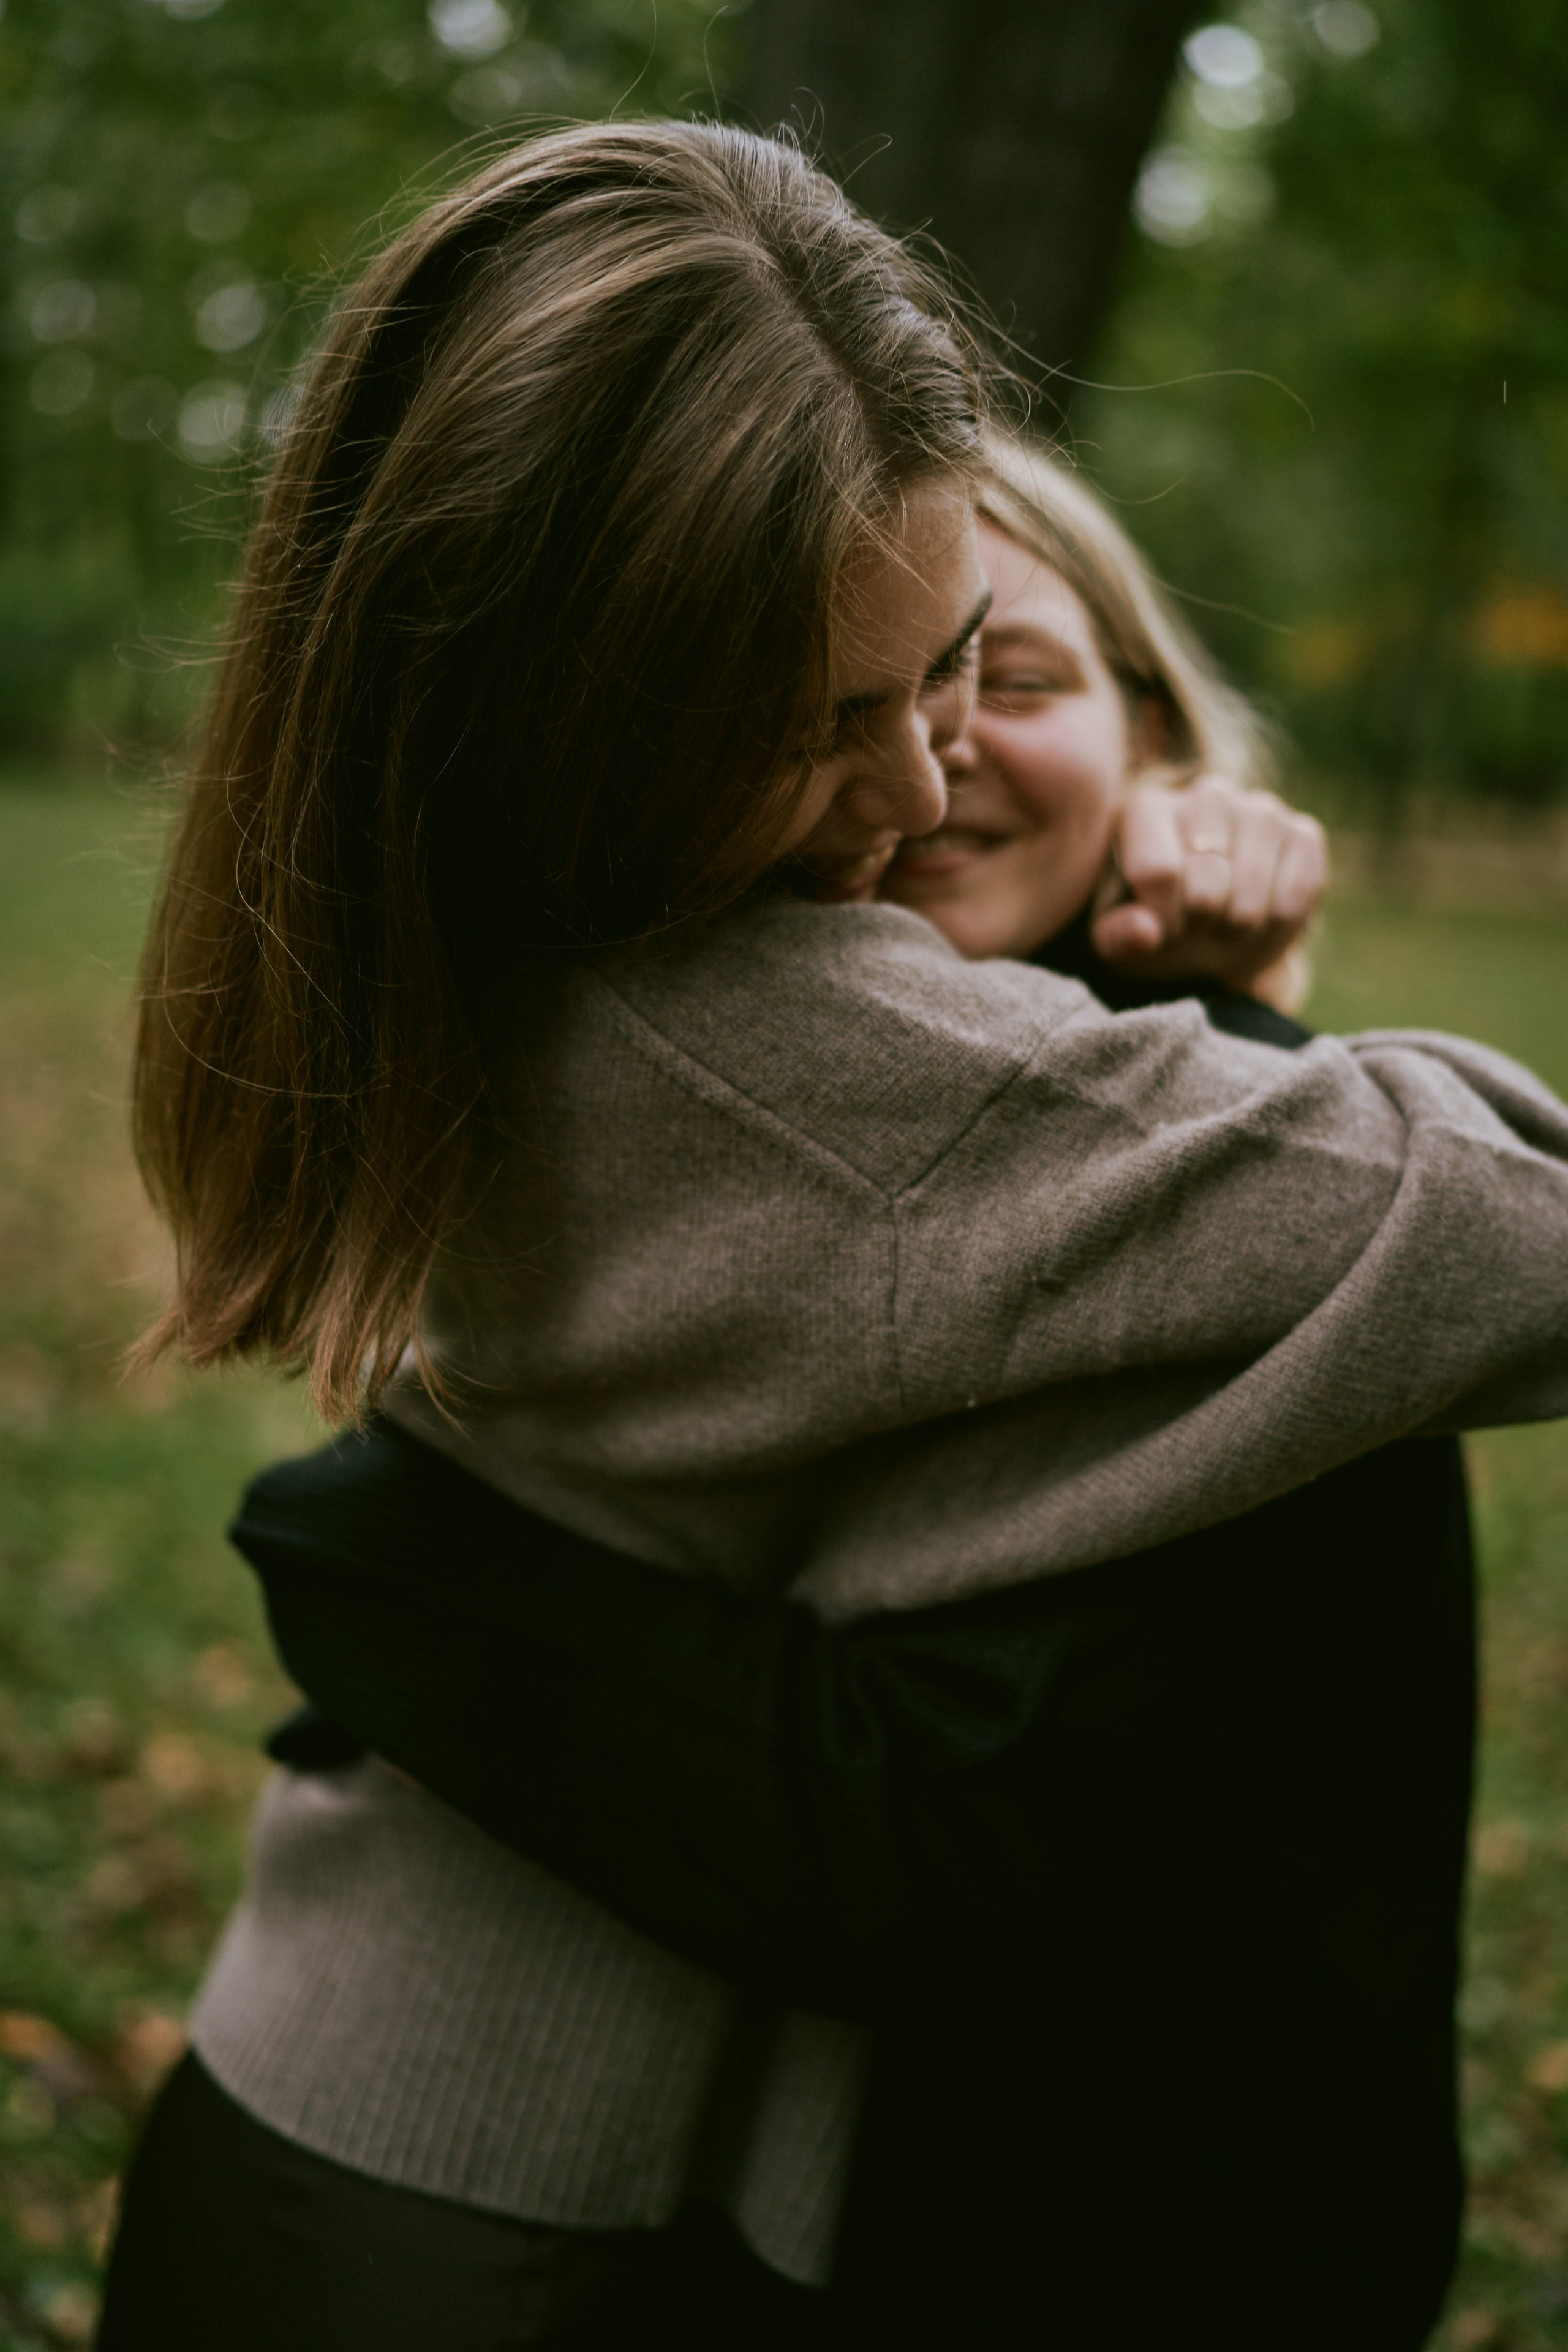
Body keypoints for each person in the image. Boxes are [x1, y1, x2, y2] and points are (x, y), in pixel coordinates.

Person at [100, 118, 1568, 2351]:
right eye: (804, 721)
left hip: (384, 2084)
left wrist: (374, 1557)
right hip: (494, 2196)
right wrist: (1216, 1026)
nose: (911, 787)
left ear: (1183, 734)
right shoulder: (831, 1064)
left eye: (981, 665)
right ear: (585, 719)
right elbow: (1505, 1230)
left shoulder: (447, 923)